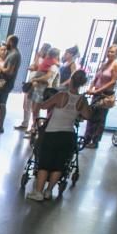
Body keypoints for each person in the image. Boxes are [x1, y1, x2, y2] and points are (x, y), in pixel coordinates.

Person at [27, 69, 91, 201]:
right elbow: (87, 115)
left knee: (45, 163)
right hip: (68, 135)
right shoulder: (82, 99)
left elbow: (44, 106)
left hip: (52, 133)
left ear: (71, 80)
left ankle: (38, 192)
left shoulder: (61, 95)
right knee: (59, 164)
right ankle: (49, 191)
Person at [82, 44, 117, 148]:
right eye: (109, 51)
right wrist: (91, 87)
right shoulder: (104, 64)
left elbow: (113, 81)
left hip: (105, 95)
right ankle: (87, 138)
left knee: (100, 118)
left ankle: (95, 141)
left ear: (116, 53)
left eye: (112, 52)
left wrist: (98, 90)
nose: (109, 54)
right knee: (91, 116)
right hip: (97, 93)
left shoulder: (116, 65)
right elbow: (96, 78)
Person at [0, 34, 21, 133]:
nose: (6, 43)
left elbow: (9, 71)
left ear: (11, 42)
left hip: (6, 82)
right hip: (3, 81)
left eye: (7, 41)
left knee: (2, 104)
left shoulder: (14, 55)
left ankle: (0, 126)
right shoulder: (12, 53)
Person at [25, 47, 60, 138]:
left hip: (43, 89)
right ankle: (35, 127)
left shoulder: (53, 66)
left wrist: (36, 79)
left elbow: (47, 78)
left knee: (36, 110)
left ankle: (36, 129)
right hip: (38, 88)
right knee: (34, 110)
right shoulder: (49, 63)